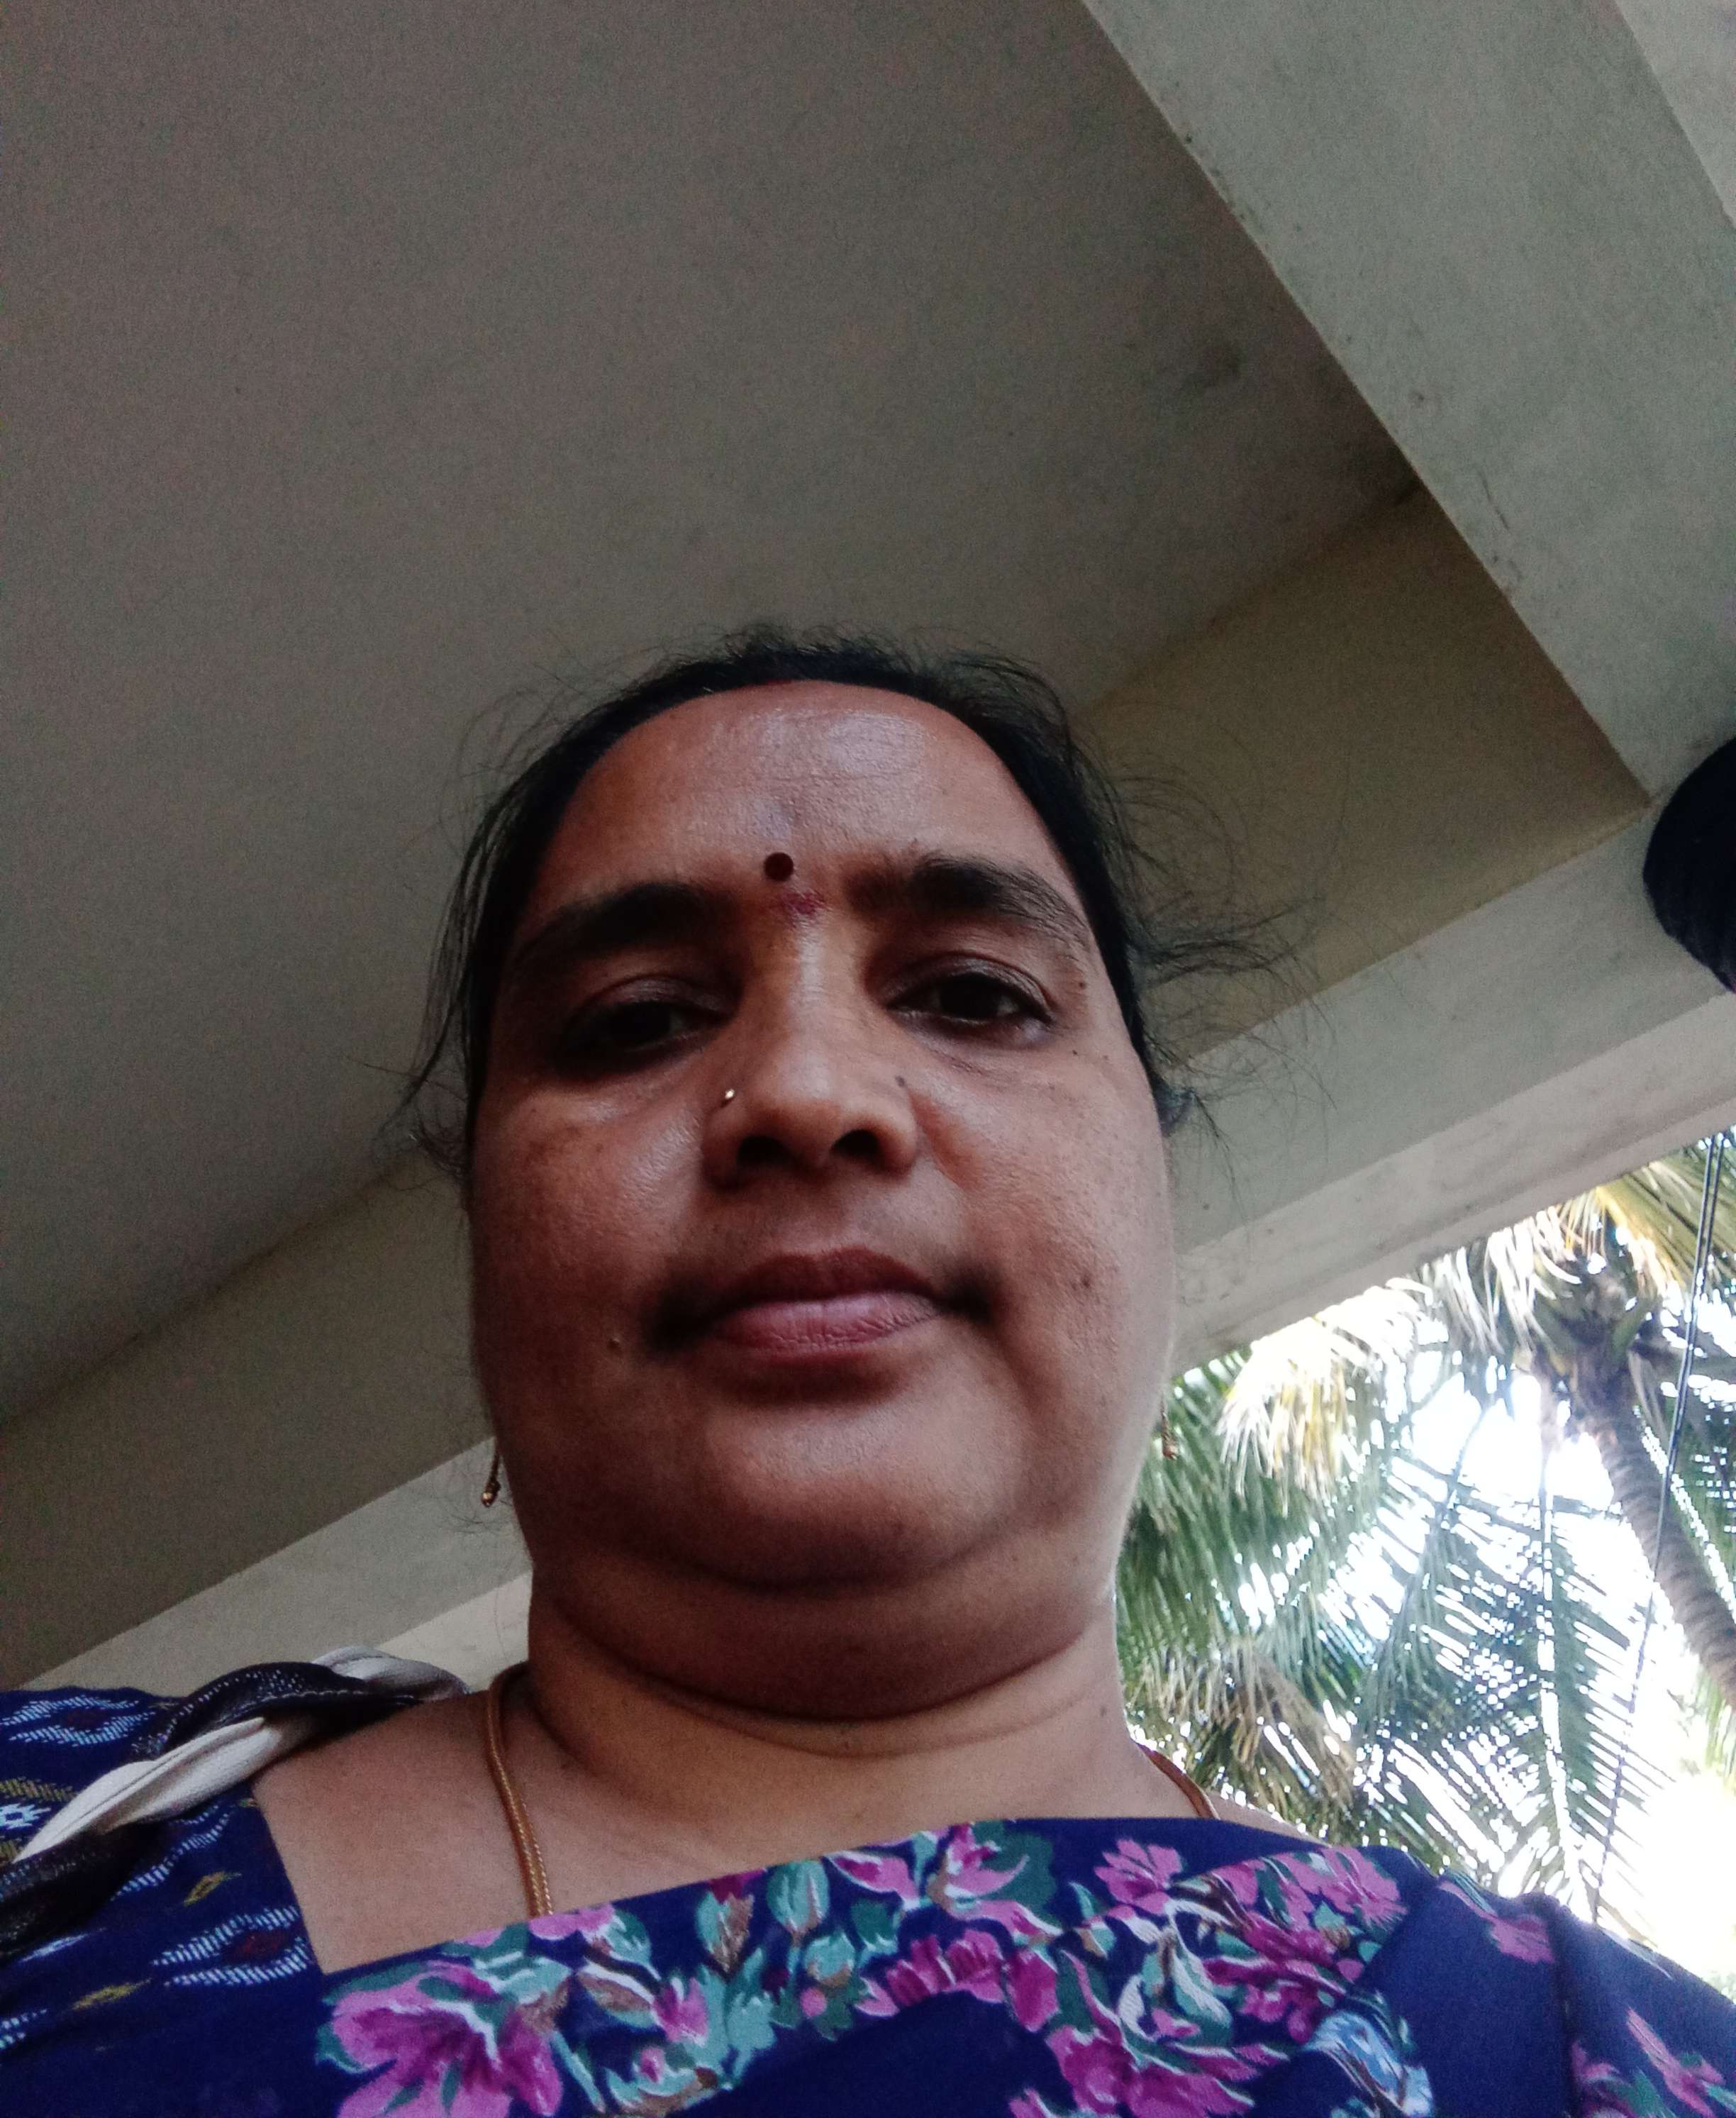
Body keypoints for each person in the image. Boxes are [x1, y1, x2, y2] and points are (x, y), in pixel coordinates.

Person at [2, 628, 1731, 2116]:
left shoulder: (1586, 2069)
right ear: (488, 1242)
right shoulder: (58, 1843)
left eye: (974, 995)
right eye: (635, 1020)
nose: (808, 1090)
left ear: (1154, 1179)